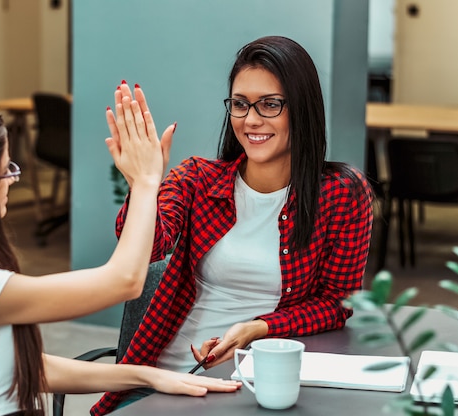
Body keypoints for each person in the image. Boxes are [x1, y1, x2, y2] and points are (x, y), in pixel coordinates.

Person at [0, 100, 241, 416]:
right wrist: (146, 183)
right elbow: (125, 280)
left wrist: (147, 375)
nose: (12, 181)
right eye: (6, 170)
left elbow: (24, 368)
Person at [92, 35, 374, 415]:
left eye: (270, 104)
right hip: (166, 379)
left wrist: (259, 328)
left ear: (302, 109)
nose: (251, 119)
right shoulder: (198, 179)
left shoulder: (342, 194)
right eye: (240, 104)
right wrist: (143, 186)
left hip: (254, 385)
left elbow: (336, 303)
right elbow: (149, 247)